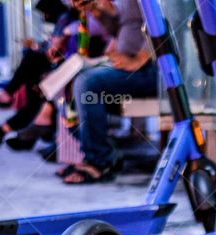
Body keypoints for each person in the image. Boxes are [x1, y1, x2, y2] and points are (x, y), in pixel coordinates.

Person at [0, 0, 109, 150]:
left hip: (83, 65)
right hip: (74, 63)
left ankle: (33, 125)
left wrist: (66, 35)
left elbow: (97, 41)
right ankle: (29, 126)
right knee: (38, 79)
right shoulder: (76, 17)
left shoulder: (86, 17)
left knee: (42, 78)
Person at [61, 0, 157, 184]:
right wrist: (95, 10)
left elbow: (169, 22)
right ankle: (103, 153)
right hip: (128, 65)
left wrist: (140, 58)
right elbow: (119, 28)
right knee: (72, 77)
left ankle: (100, 161)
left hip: (153, 69)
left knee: (87, 83)